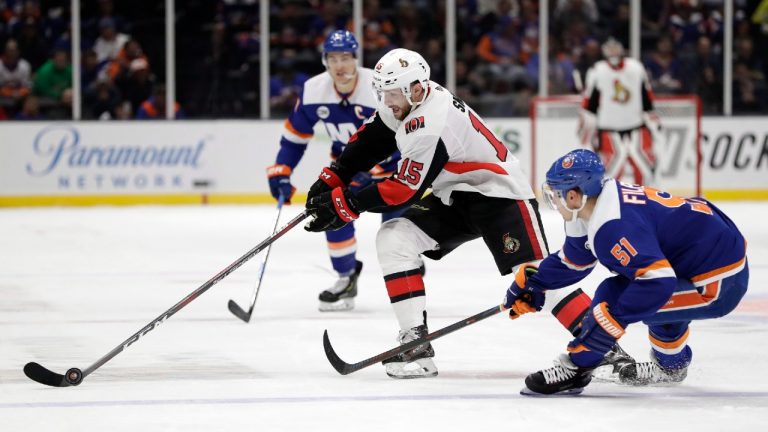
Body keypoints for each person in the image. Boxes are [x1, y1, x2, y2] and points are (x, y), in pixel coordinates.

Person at [303, 48, 633, 379]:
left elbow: (403, 189)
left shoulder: (430, 122)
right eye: (383, 93)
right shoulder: (408, 100)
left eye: (390, 94)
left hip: (499, 195)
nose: (385, 101)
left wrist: (345, 204)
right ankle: (415, 343)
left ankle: (602, 346)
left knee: (536, 275)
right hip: (454, 196)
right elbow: (374, 137)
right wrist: (334, 176)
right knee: (394, 238)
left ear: (415, 89)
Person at [505, 149, 748, 396]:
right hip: (703, 256)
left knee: (616, 297)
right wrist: (534, 284)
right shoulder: (591, 208)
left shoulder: (613, 225)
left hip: (720, 281)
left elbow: (658, 282)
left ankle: (576, 371)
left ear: (575, 196)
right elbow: (574, 261)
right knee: (637, 294)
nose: (553, 202)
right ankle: (671, 367)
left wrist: (603, 332)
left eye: (556, 194)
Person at [267, 30, 403, 312]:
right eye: (333, 58)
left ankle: (407, 278)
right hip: (348, 169)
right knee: (330, 212)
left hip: (394, 169)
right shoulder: (313, 91)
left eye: (346, 58)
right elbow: (294, 137)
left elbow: (404, 134)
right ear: (324, 61)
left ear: (356, 59)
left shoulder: (380, 88)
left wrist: (373, 166)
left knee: (397, 234)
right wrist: (281, 171)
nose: (340, 65)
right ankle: (345, 278)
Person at [578, 38, 662, 187]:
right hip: (609, 131)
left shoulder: (636, 68)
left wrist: (653, 120)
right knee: (610, 174)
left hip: (637, 127)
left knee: (645, 171)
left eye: (615, 48)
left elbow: (647, 97)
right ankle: (613, 205)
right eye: (609, 49)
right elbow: (589, 103)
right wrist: (587, 128)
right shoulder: (597, 71)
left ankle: (645, 203)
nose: (613, 53)